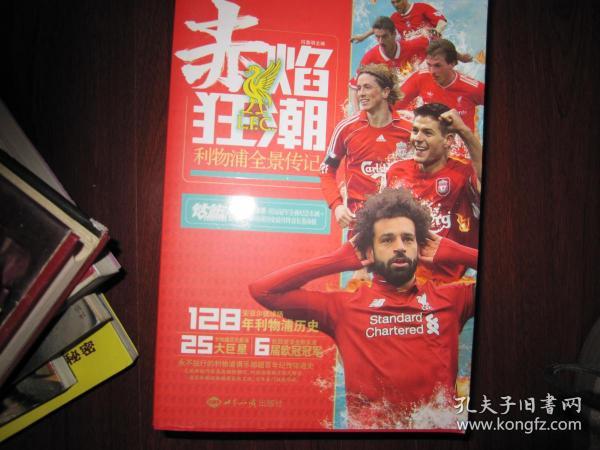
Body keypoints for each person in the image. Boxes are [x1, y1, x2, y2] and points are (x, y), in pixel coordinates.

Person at [249, 188, 478, 429]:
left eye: (408, 239)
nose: (400, 247)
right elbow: (263, 291)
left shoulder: (452, 300)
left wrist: (458, 253)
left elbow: (508, 282)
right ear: (369, 251)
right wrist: (336, 261)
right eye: (387, 240)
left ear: (419, 247)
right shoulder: (343, 308)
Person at [382, 102, 481, 282]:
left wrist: (464, 131)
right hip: (404, 283)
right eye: (415, 131)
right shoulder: (395, 172)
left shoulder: (464, 174)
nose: (417, 139)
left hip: (450, 284)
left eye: (427, 133)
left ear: (448, 140)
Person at [321, 63, 412, 232]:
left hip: (400, 221)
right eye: (359, 88)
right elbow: (326, 170)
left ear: (385, 92)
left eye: (367, 87)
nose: (361, 93)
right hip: (361, 223)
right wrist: (337, 205)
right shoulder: (346, 128)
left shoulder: (410, 130)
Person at [395, 39, 485, 135]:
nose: (432, 71)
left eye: (437, 66)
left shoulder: (473, 88)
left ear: (452, 64)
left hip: (460, 142)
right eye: (429, 65)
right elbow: (391, 106)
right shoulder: (420, 78)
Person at [348, 16, 430, 112]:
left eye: (384, 36)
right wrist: (357, 113)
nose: (381, 41)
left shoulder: (411, 46)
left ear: (394, 34)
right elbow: (354, 87)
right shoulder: (370, 58)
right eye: (377, 37)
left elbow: (433, 40)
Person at [351, 0, 447, 43]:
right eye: (393, 2)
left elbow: (442, 21)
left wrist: (437, 31)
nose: (396, 5)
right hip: (414, 56)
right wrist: (363, 36)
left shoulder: (422, 8)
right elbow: (380, 27)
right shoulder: (394, 17)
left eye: (398, 1)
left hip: (432, 49)